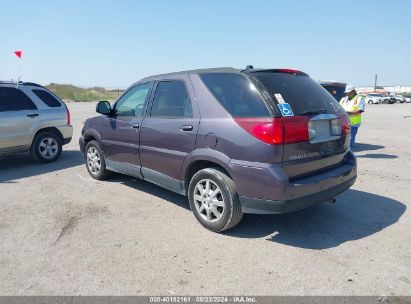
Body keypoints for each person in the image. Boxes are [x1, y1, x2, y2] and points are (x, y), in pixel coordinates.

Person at [339, 85, 365, 150]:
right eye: (346, 92)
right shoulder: (343, 99)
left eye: (349, 92)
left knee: (351, 138)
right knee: (342, 138)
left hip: (353, 123)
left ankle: (350, 152)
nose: (347, 94)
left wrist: (348, 113)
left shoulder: (359, 99)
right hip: (343, 122)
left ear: (353, 91)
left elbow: (360, 110)